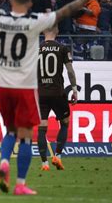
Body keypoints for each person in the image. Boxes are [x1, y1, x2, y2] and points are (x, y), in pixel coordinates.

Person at [0, 0, 100, 195]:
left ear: (11, 2)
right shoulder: (35, 22)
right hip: (25, 86)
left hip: (2, 84)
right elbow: (65, 12)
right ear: (29, 3)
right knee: (26, 136)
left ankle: (4, 161)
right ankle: (20, 184)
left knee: (10, 132)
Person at [37, 25, 78, 172]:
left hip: (40, 94)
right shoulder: (63, 48)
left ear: (43, 31)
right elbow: (70, 72)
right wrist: (74, 89)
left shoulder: (36, 50)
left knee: (41, 128)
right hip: (58, 93)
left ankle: (44, 164)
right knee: (65, 123)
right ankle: (58, 156)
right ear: (57, 31)